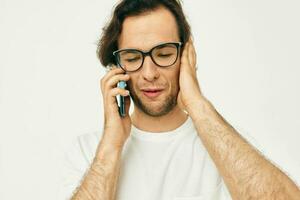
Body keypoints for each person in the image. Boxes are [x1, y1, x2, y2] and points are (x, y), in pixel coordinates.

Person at [59, 0, 300, 199]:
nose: (149, 73)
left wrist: (197, 105)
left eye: (163, 54)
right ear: (116, 68)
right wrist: (112, 145)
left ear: (187, 55)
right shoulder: (89, 152)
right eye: (132, 58)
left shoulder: (227, 146)